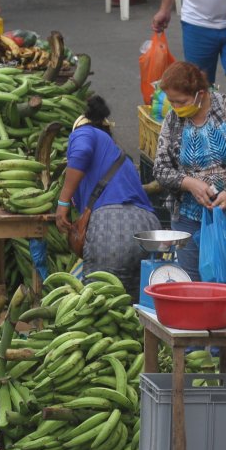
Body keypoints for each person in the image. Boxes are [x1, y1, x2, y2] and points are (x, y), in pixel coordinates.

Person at [152, 62, 226, 279]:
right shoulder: (173, 120)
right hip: (187, 215)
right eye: (171, 102)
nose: (175, 107)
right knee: (192, 282)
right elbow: (161, 168)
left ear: (200, 94)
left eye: (181, 101)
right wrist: (190, 183)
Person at [55, 96, 160, 300]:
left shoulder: (84, 133)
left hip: (112, 228)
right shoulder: (113, 151)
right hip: (148, 227)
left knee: (101, 305)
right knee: (136, 307)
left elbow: (82, 150)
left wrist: (62, 202)